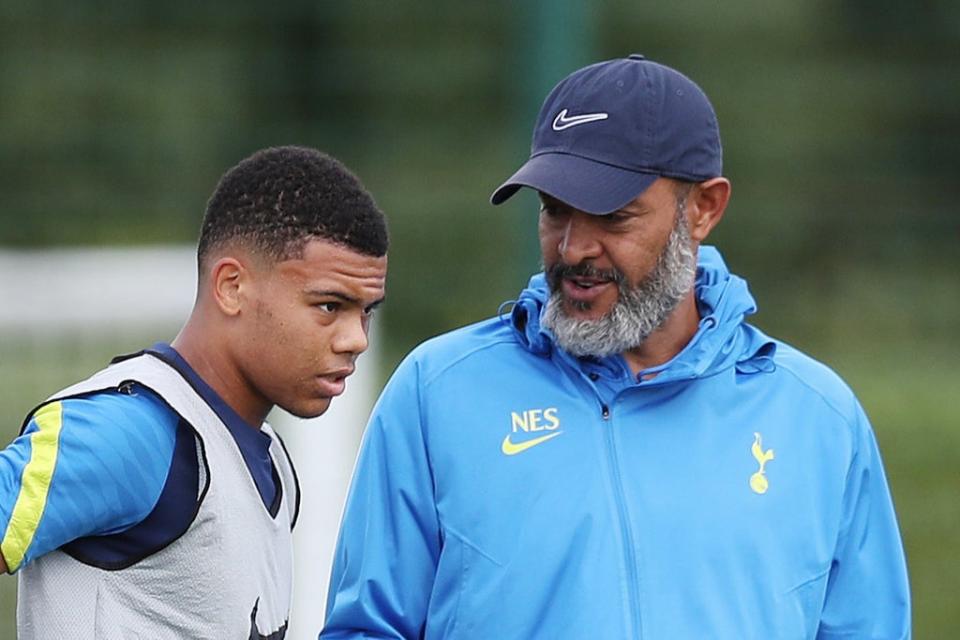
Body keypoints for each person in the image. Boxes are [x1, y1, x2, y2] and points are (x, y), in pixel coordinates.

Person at [321, 56, 910, 639]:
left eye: (612, 216)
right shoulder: (437, 393)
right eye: (555, 212)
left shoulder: (819, 419)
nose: (575, 248)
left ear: (703, 209)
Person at [0, 145, 389, 639]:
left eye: (366, 311)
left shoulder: (273, 466)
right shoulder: (132, 432)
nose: (356, 339)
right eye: (330, 306)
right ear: (231, 286)